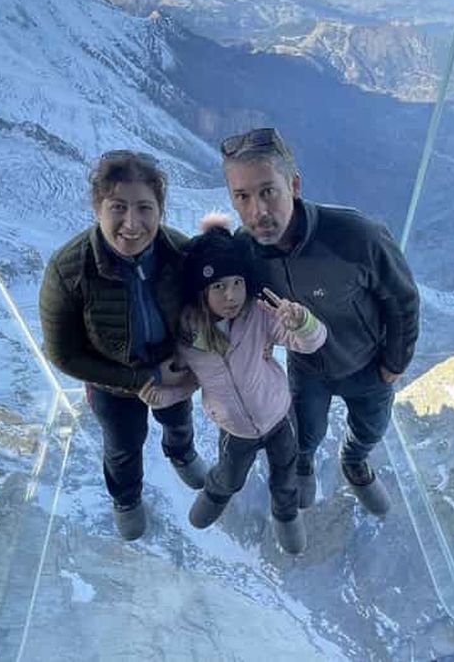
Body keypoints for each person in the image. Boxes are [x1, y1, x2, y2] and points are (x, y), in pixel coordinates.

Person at [219, 128, 420, 516]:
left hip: (368, 364)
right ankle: (303, 467)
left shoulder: (355, 236)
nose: (257, 211)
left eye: (268, 191)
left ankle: (354, 462)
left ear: (293, 185)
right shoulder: (244, 252)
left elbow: (402, 298)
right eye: (242, 197)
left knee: (371, 429)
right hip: (307, 367)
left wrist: (396, 362)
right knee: (305, 433)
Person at [38, 150, 207, 541]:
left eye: (145, 208)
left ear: (160, 210)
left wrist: (186, 360)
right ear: (97, 207)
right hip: (112, 385)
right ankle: (127, 499)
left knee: (178, 419)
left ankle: (180, 453)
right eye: (118, 207)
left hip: (171, 368)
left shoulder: (179, 253)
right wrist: (142, 378)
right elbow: (63, 353)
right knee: (122, 446)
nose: (132, 224)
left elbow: (204, 307)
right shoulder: (69, 270)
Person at [138, 215, 327, 554]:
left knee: (286, 473)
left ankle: (285, 515)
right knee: (230, 474)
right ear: (201, 291)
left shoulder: (258, 314)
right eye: (219, 286)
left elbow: (310, 343)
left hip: (278, 415)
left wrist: (302, 323)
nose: (231, 295)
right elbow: (190, 382)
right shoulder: (188, 337)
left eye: (238, 282)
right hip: (235, 428)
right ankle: (216, 494)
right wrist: (164, 396)